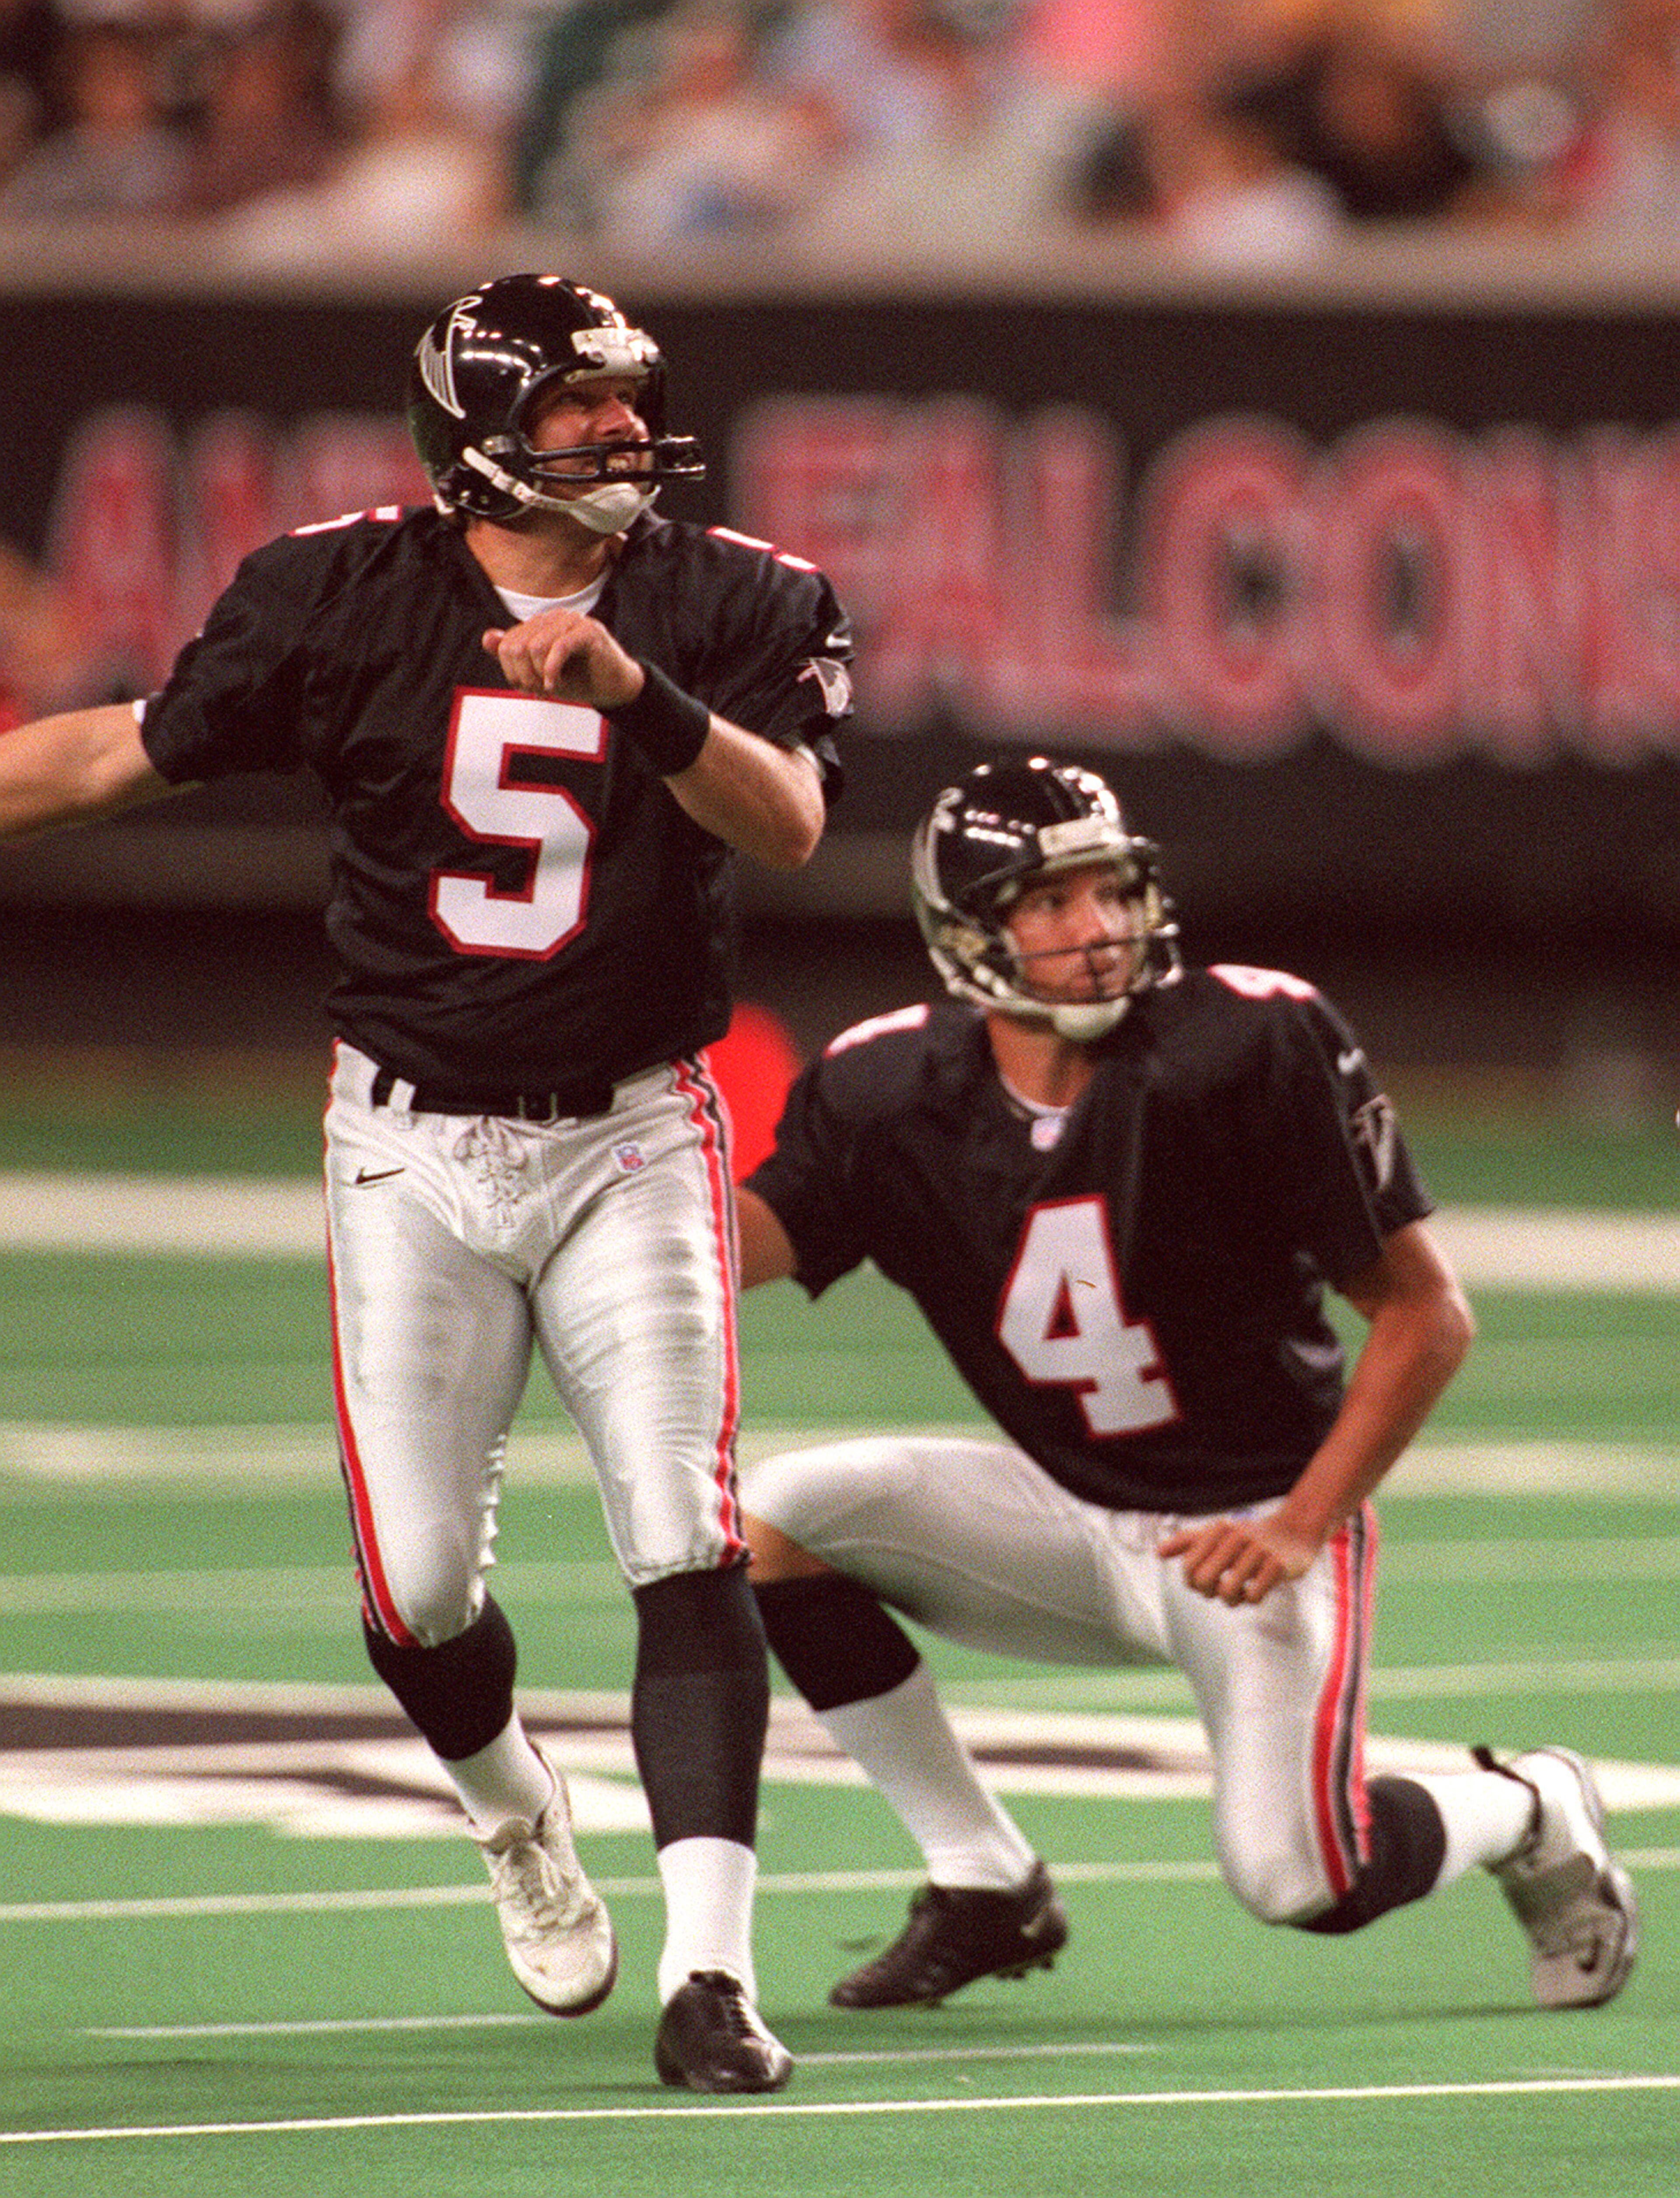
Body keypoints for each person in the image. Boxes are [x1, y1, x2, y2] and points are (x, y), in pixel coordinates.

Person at [0, 273, 854, 2093]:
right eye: (579, 409)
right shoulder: (342, 589)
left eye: (631, 399)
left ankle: (712, 1971)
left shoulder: (735, 592)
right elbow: (122, 749)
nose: (624, 432)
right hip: (405, 1140)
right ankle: (515, 1809)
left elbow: (785, 819)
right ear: (480, 436)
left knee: (685, 1536)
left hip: (633, 1122)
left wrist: (640, 692)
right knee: (418, 1594)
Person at [735, 756, 1638, 2016]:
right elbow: (729, 1252)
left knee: (1298, 1878)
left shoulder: (1251, 1041)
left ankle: (1530, 1804)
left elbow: (1426, 1314)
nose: (1096, 931)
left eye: (1109, 893)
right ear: (969, 932)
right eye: (1050, 904)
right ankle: (982, 1877)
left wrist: (1300, 1522)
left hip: (1249, 1523)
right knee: (769, 1524)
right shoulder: (887, 1087)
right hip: (1060, 1508)